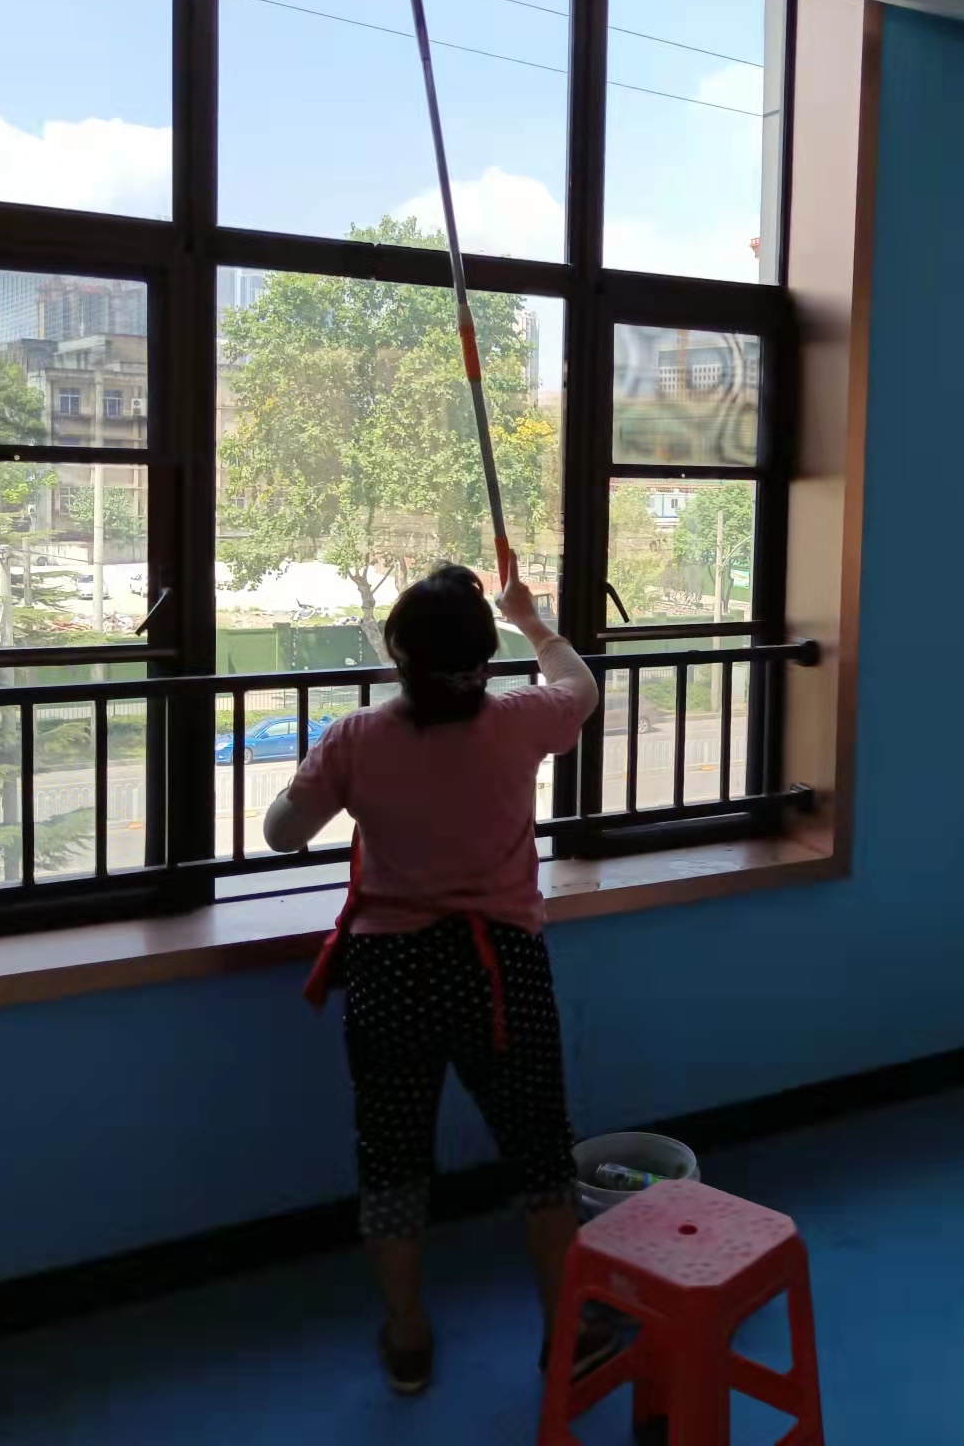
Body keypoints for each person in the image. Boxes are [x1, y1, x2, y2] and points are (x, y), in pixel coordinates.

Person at [264, 564, 603, 1397]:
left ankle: (408, 1337)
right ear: (483, 659)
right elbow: (581, 687)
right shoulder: (520, 722)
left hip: (393, 973)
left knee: (393, 1158)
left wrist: (316, 780)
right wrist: (531, 619)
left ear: (399, 655)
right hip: (502, 970)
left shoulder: (355, 739)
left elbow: (281, 834)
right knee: (541, 1157)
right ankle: (568, 1336)